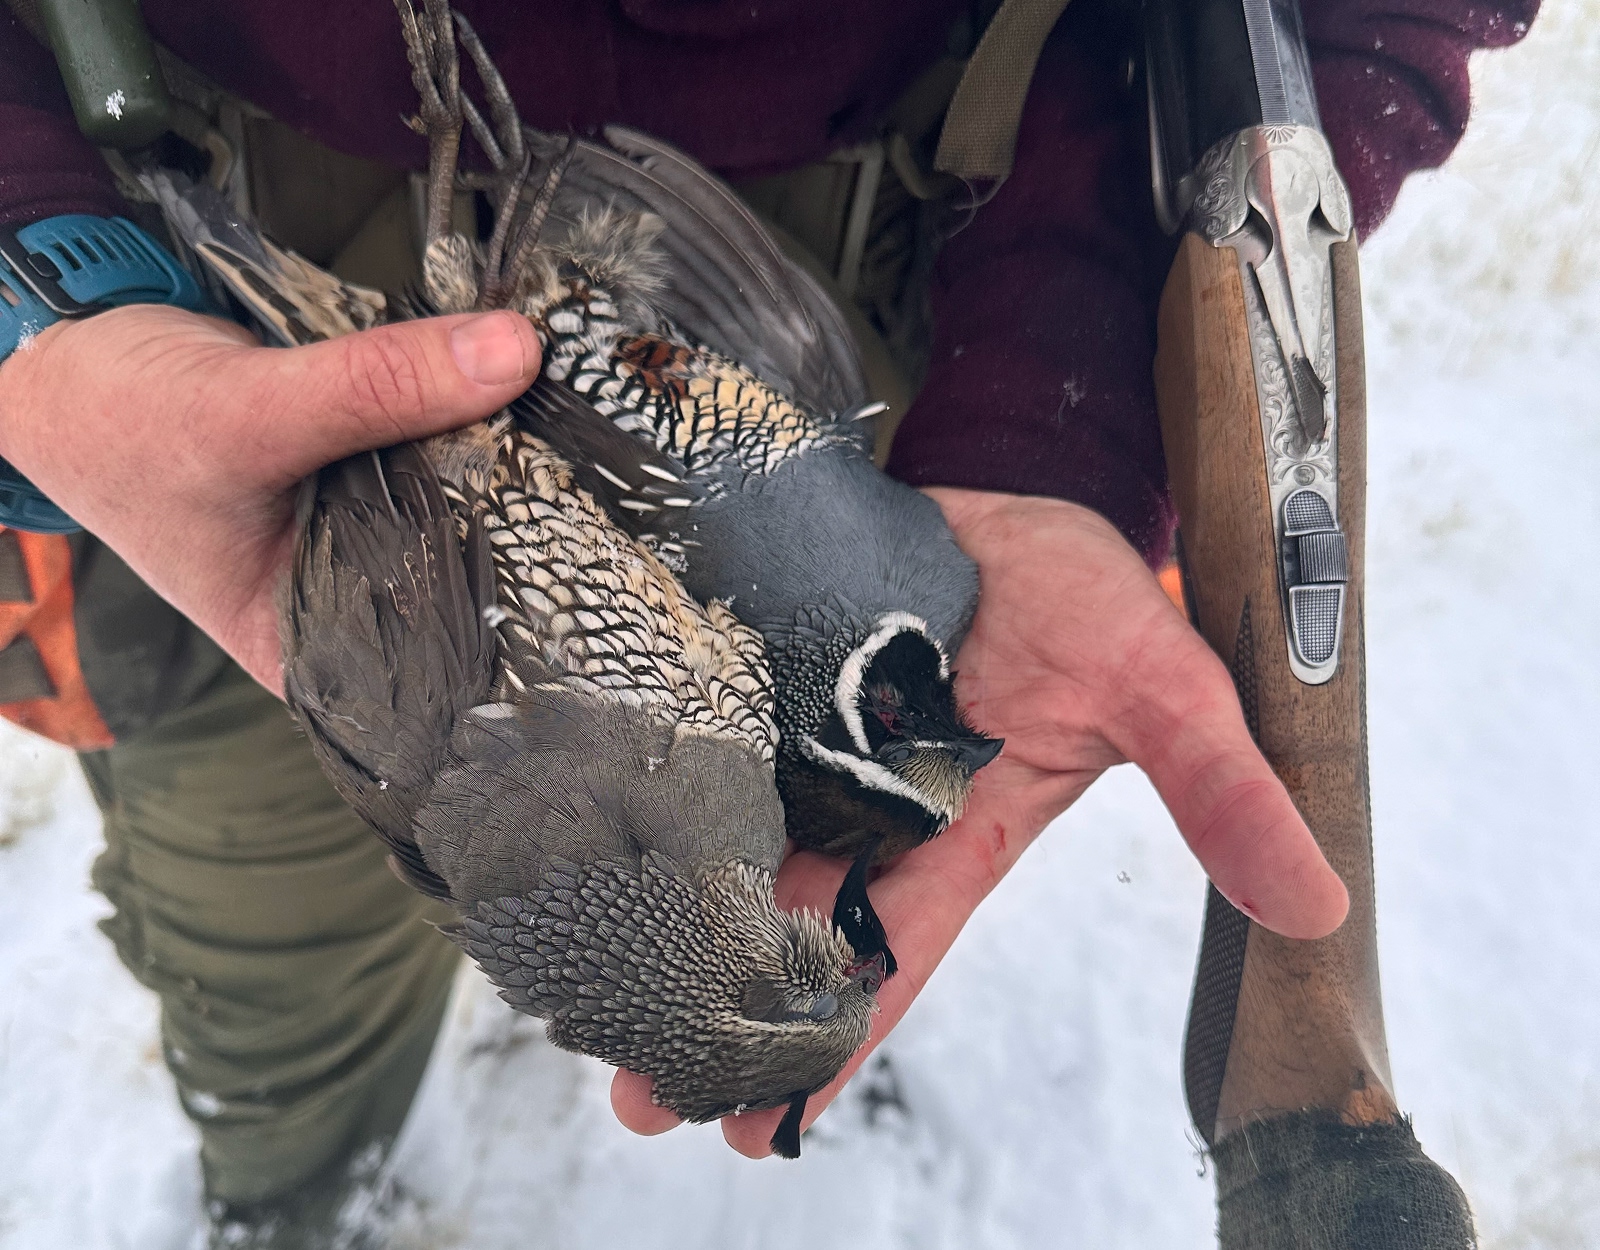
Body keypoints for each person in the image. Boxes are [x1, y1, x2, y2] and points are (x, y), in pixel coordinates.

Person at [0, 0, 1535, 1245]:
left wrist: (1053, 415)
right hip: (184, 223)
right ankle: (295, 1189)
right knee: (264, 934)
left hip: (864, 236)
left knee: (877, 818)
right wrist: (40, 294)